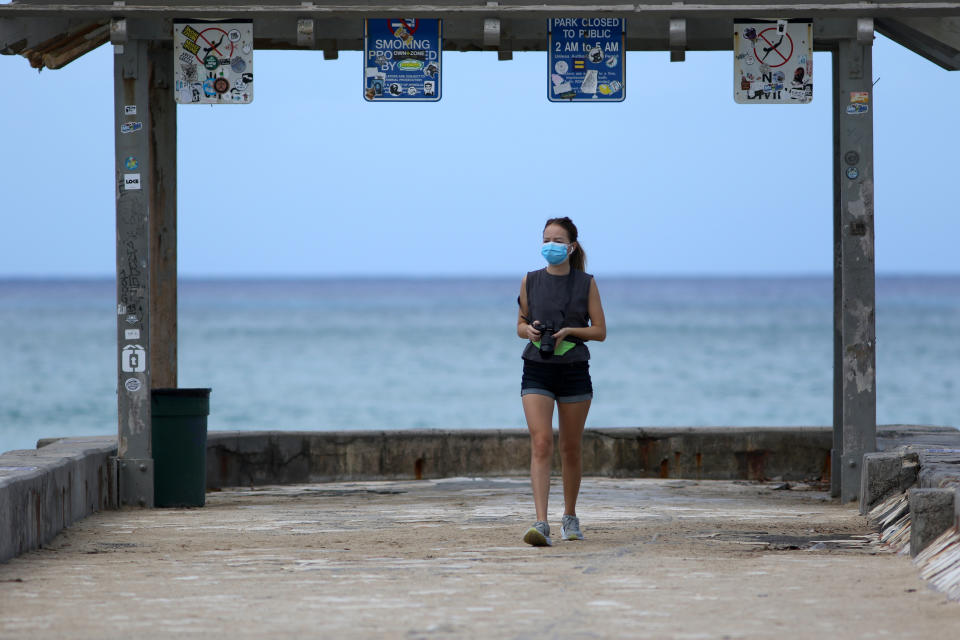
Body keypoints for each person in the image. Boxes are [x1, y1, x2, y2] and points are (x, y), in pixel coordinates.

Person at [516, 217, 606, 546]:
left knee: (570, 448)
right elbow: (520, 324)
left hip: (573, 369)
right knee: (541, 443)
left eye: (557, 240)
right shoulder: (530, 280)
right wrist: (530, 331)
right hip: (537, 366)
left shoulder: (586, 283)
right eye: (546, 239)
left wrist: (569, 331)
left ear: (571, 246)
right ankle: (540, 523)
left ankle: (570, 516)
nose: (550, 245)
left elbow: (600, 331)